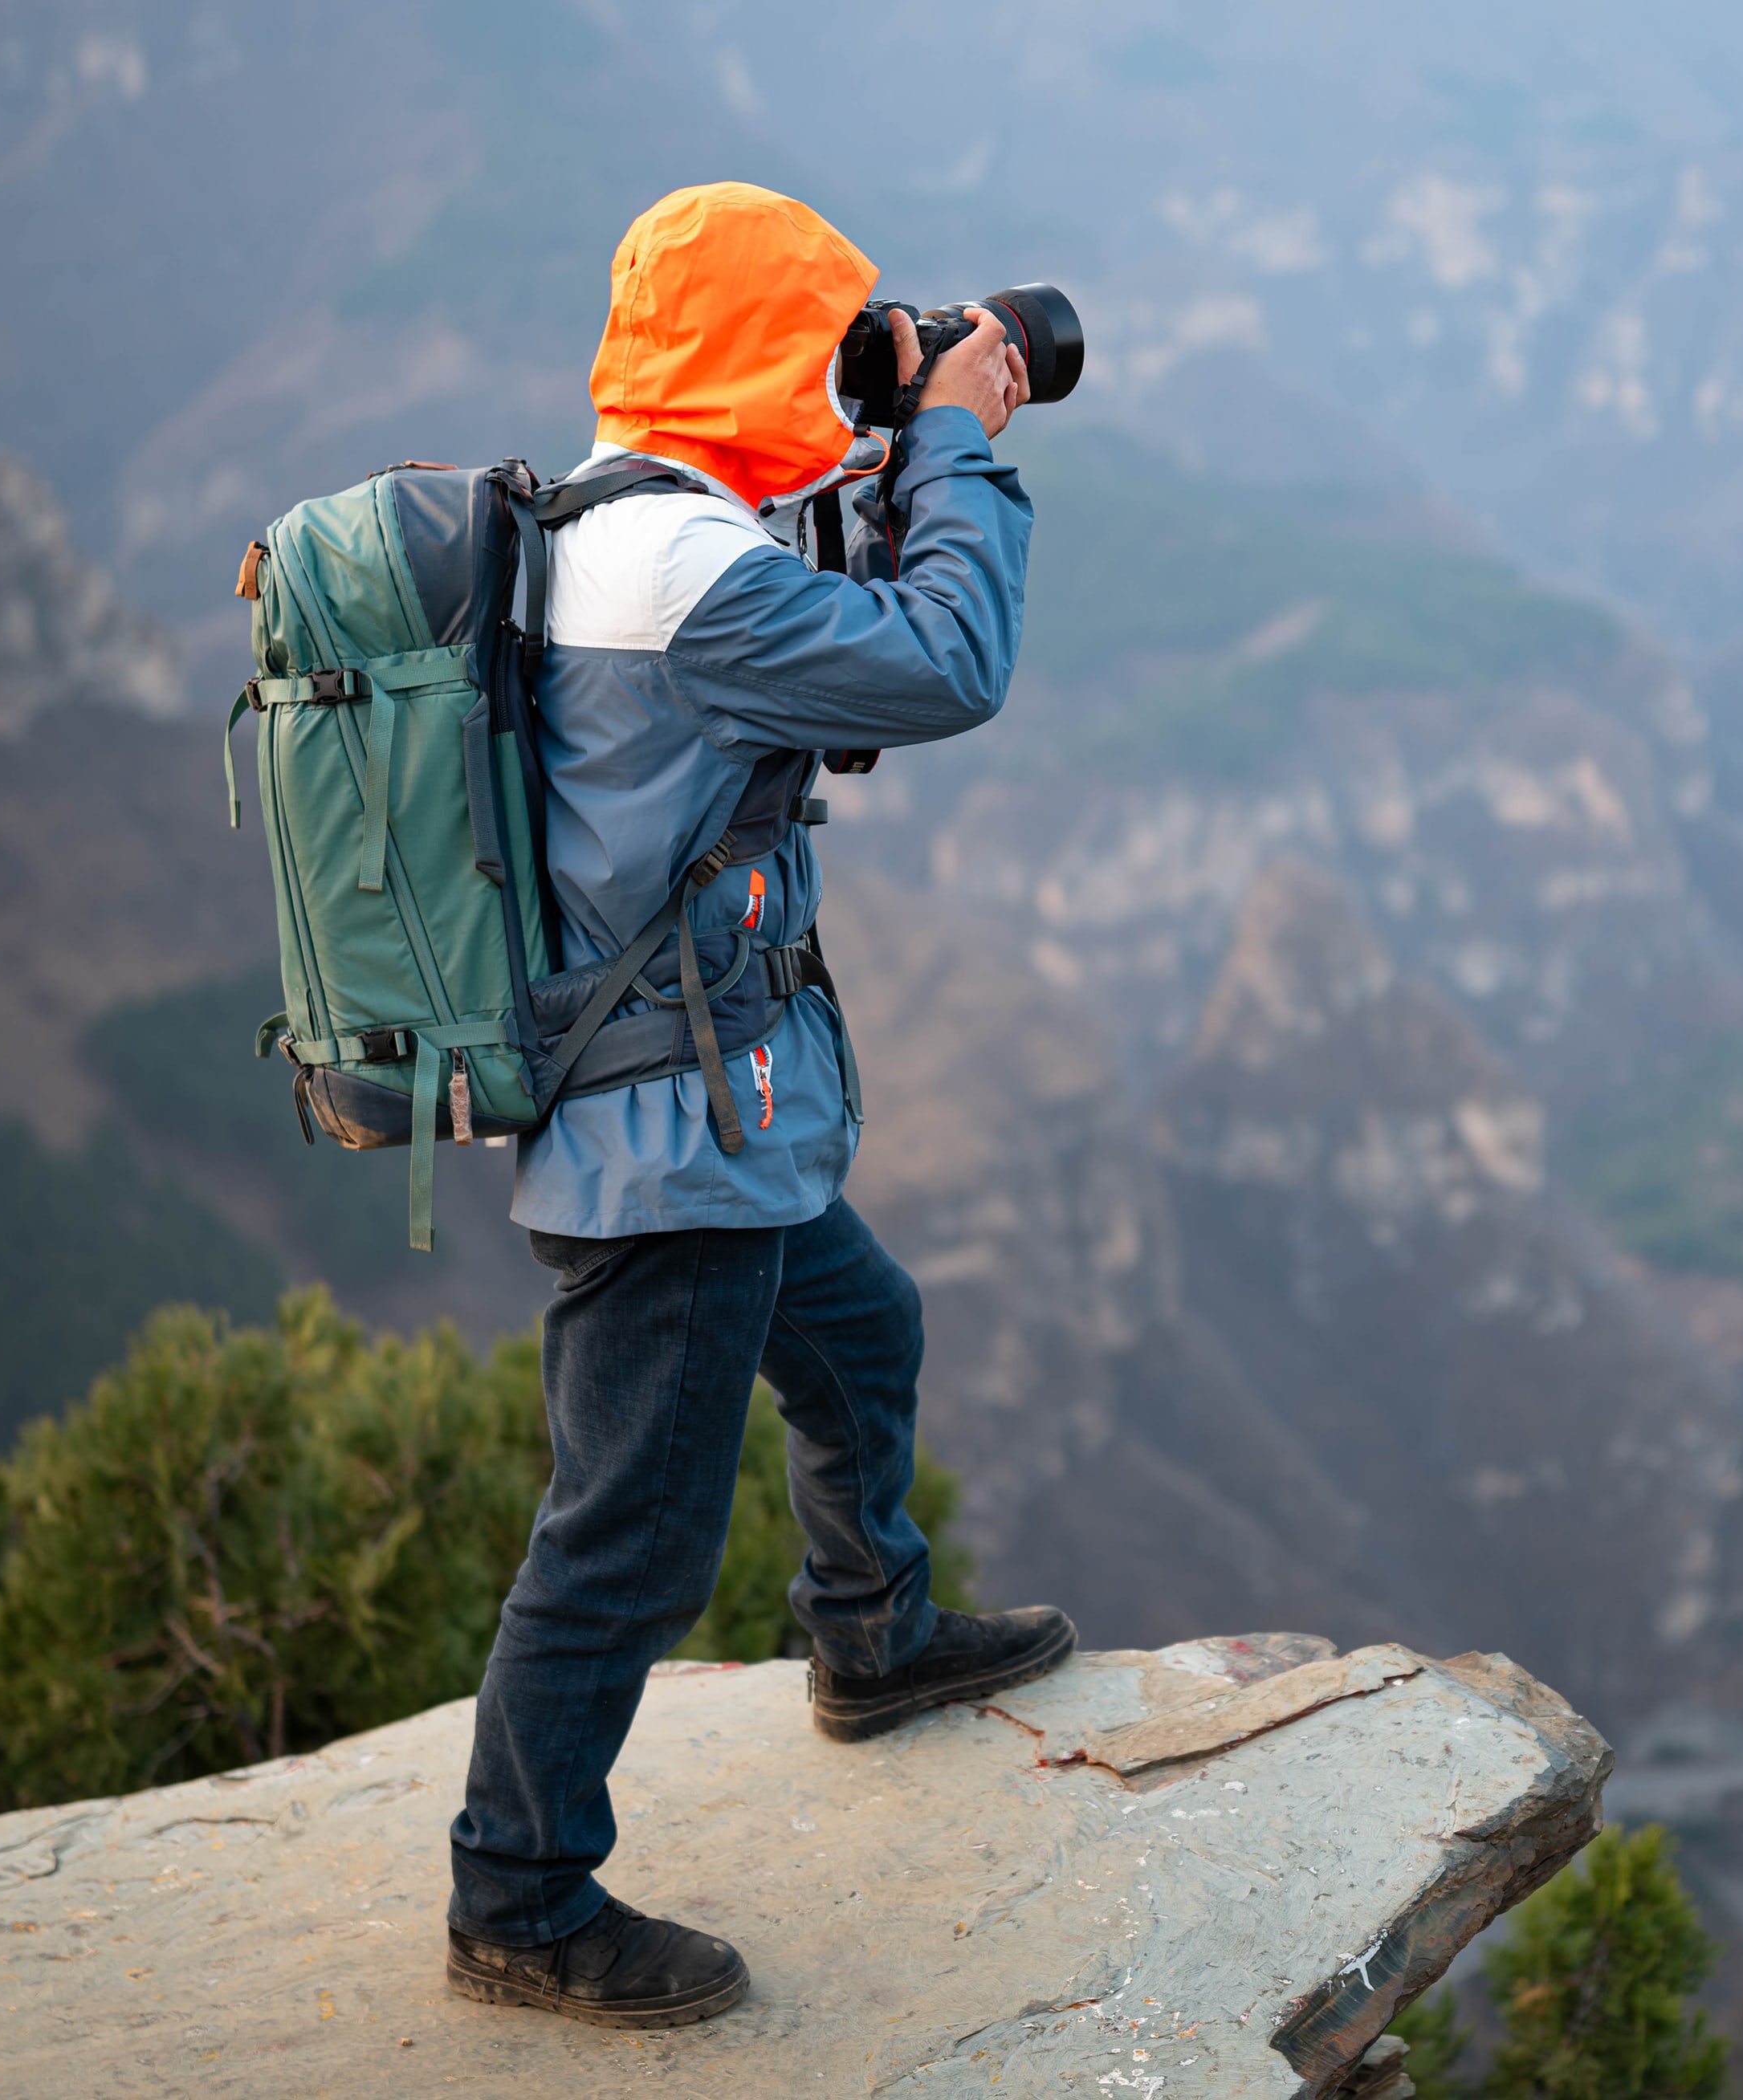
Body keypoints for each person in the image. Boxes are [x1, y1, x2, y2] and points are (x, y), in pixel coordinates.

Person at [443, 182, 1075, 2030]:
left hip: (713, 1116)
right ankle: (519, 1893)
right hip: (662, 1152)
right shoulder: (678, 573)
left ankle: (869, 1633)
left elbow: (808, 673)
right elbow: (945, 667)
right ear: (751, 354)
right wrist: (953, 438)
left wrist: (880, 443)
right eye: (834, 336)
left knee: (865, 1333)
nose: (863, 360)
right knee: (626, 1535)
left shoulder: (621, 514)